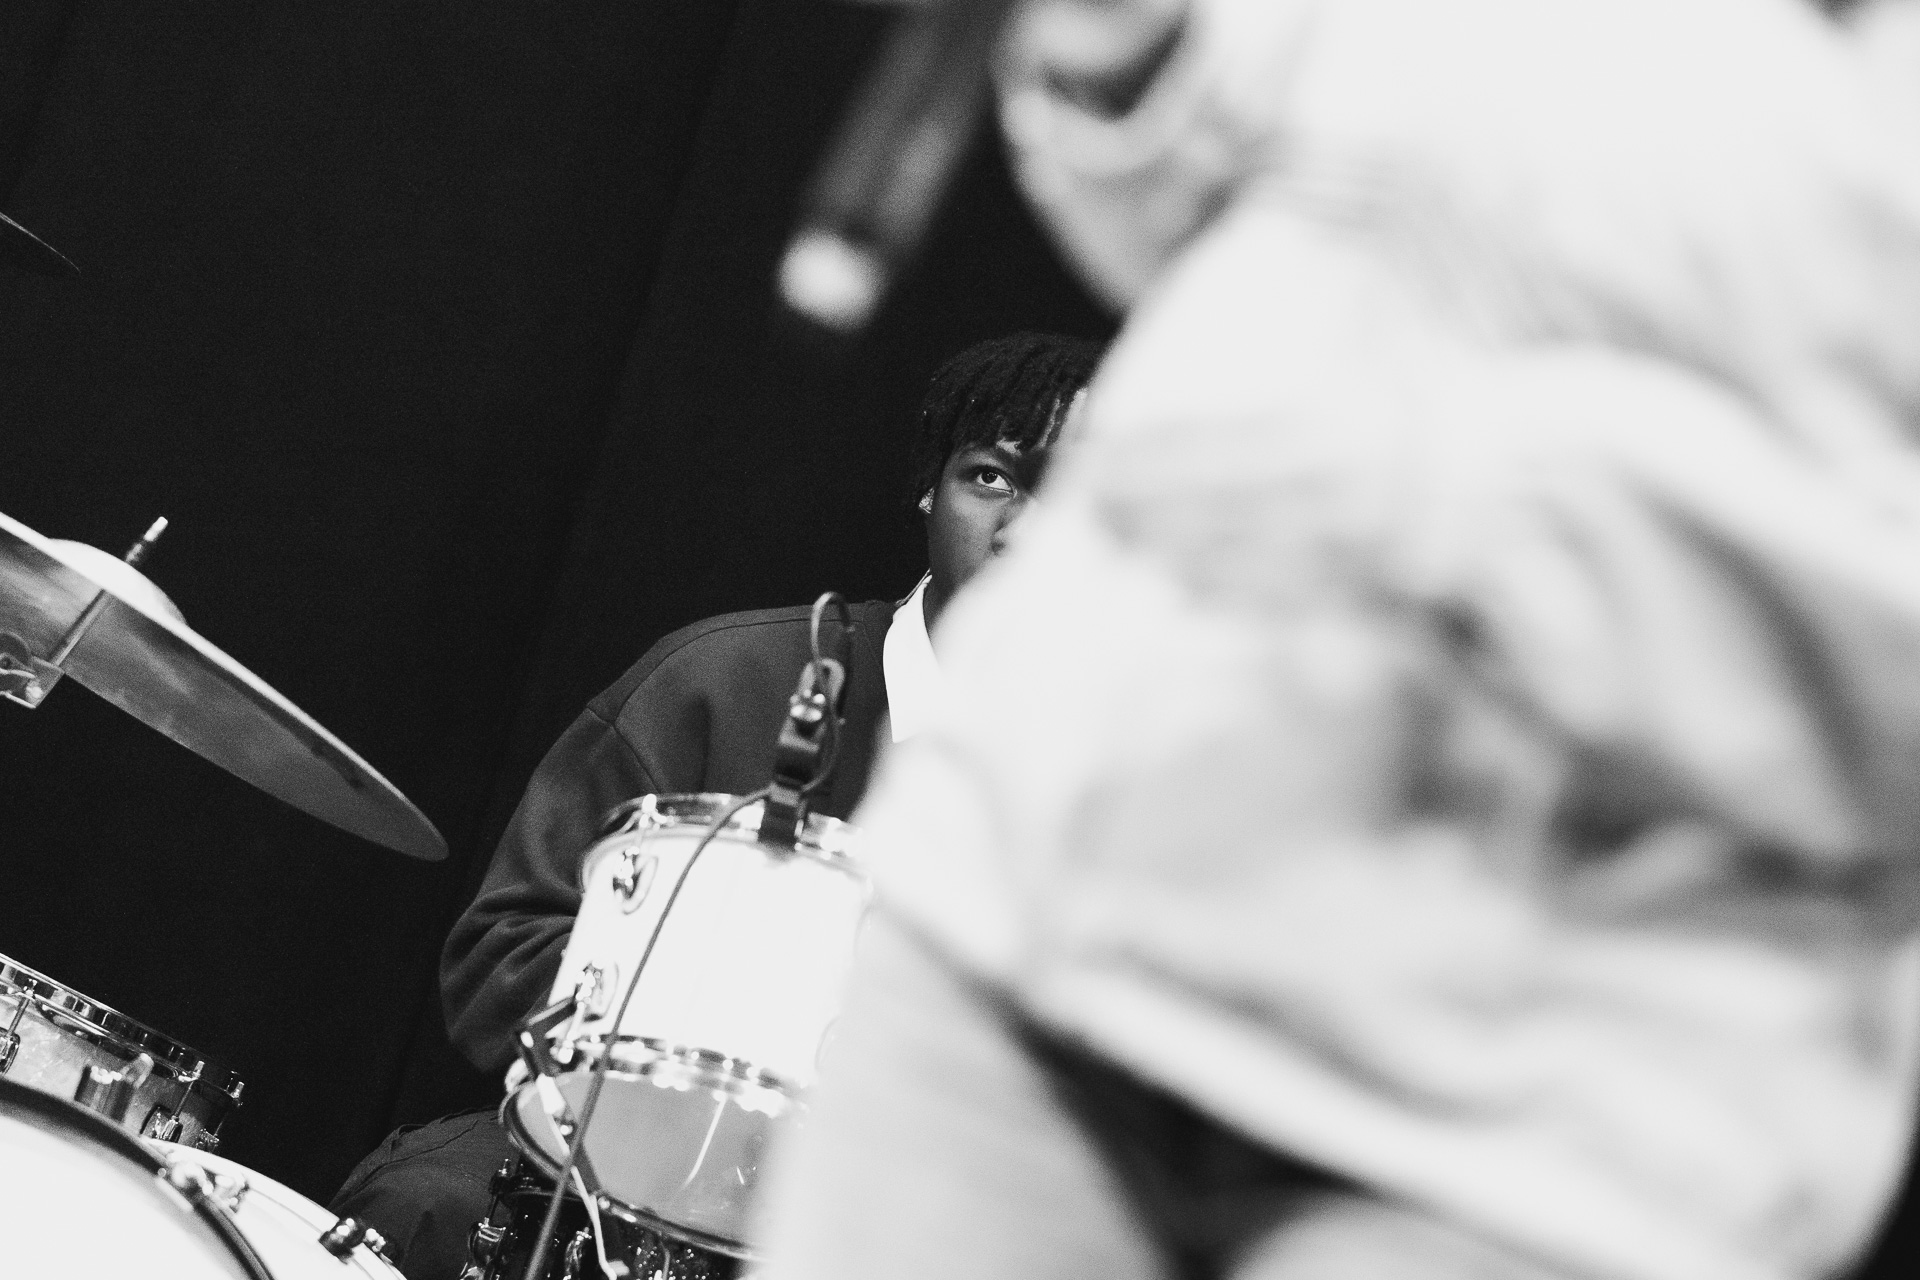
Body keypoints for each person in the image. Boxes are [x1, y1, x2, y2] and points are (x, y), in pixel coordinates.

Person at [752, 4, 1920, 1280]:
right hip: (1026, 936)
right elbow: (1217, 207)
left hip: (1551, 1114)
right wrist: (1125, 55)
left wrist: (1471, 526)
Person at [327, 330, 1101, 1280]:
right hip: (624, 1179)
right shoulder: (726, 682)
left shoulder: (1140, 800)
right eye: (992, 478)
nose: (1025, 531)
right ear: (928, 489)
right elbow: (503, 952)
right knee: (425, 1204)